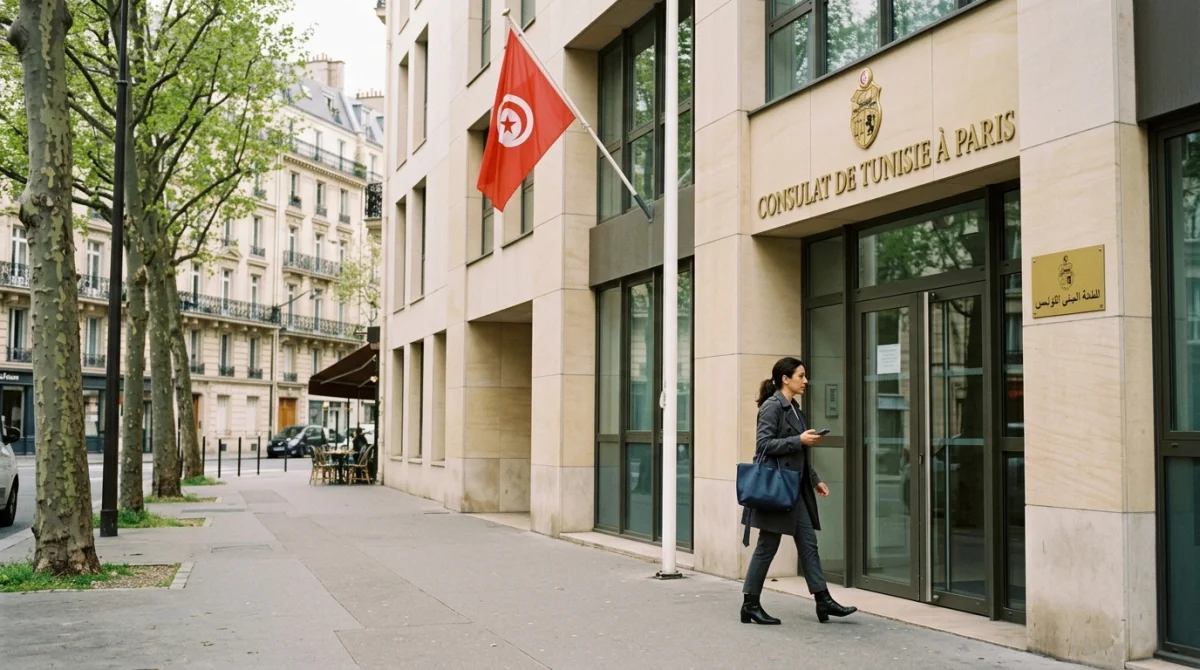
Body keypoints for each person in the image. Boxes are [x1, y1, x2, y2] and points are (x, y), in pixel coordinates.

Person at [740, 356, 856, 625]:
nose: (806, 381)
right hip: (777, 489)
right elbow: (764, 445)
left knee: (808, 543)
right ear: (785, 379)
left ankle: (823, 600)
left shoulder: (794, 408)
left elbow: (799, 452)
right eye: (801, 376)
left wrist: (814, 479)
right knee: (767, 546)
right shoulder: (772, 407)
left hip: (794, 487)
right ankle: (750, 604)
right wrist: (798, 439)